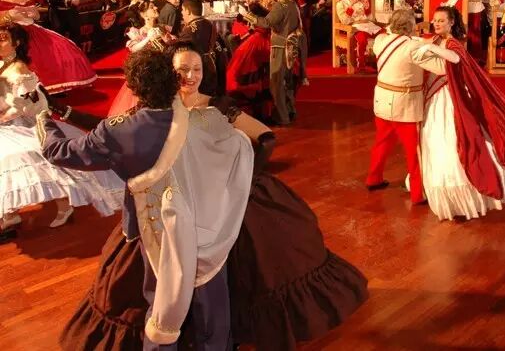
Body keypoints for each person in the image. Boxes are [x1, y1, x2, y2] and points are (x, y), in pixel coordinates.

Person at [57, 44, 368, 351]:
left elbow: (265, 137)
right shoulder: (156, 109)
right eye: (182, 70)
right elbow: (111, 132)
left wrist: (242, 180)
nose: (191, 76)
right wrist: (66, 113)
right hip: (165, 209)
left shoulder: (218, 107)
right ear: (168, 73)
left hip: (221, 205)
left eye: (197, 69)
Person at [39, 48, 253, 350]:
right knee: (210, 289)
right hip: (206, 222)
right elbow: (240, 147)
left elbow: (59, 151)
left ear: (134, 87)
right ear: (172, 79)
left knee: (163, 294)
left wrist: (43, 118)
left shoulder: (117, 130)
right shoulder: (205, 120)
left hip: (153, 225)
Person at [417, 6, 505, 220]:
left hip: (450, 97)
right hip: (436, 97)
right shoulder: (436, 40)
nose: (437, 24)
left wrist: (430, 49)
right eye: (435, 20)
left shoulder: (453, 43)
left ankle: (467, 195)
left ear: (451, 22)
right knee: (435, 140)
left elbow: (455, 58)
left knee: (455, 139)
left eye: (441, 20)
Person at [0, 23, 122, 234]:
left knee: (30, 158)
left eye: (3, 39)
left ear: (16, 43)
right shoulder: (3, 64)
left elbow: (25, 107)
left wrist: (3, 117)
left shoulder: (19, 69)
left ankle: (62, 205)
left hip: (26, 123)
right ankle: (10, 214)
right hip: (9, 124)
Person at [365, 9, 450, 204]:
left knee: (382, 142)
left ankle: (373, 178)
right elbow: (441, 68)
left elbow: (395, 37)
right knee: (413, 152)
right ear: (411, 26)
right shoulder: (413, 47)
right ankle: (417, 194)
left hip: (382, 102)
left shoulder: (380, 41)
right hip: (406, 106)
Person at [1, 0, 96, 92]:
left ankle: (60, 81)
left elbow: (37, 16)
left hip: (33, 29)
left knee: (63, 45)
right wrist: (13, 16)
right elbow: (2, 21)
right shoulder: (5, 1)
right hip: (17, 32)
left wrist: (31, 13)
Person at [241, 0, 306, 126]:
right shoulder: (291, 4)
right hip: (291, 46)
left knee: (276, 83)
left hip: (280, 46)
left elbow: (266, 23)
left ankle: (281, 117)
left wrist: (247, 15)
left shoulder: (280, 5)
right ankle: (290, 111)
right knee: (288, 82)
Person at [108, 1, 175, 116]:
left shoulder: (163, 28)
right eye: (151, 7)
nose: (155, 8)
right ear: (144, 15)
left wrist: (169, 41)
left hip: (165, 70)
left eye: (154, 6)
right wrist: (148, 38)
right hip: (148, 73)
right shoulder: (138, 32)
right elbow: (134, 48)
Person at [226, 0, 272, 121]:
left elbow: (262, 23)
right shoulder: (261, 33)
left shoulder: (255, 39)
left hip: (259, 41)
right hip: (259, 39)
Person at [335, 0, 383, 73]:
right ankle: (361, 66)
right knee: (362, 40)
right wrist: (351, 6)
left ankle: (380, 63)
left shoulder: (361, 1)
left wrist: (367, 8)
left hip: (368, 25)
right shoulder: (341, 4)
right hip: (355, 27)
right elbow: (345, 21)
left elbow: (370, 18)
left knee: (385, 34)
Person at [179, 0, 220, 96]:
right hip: (211, 67)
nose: (181, 13)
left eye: (182, 10)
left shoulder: (189, 30)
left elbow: (180, 53)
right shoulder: (209, 24)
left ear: (188, 11)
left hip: (196, 72)